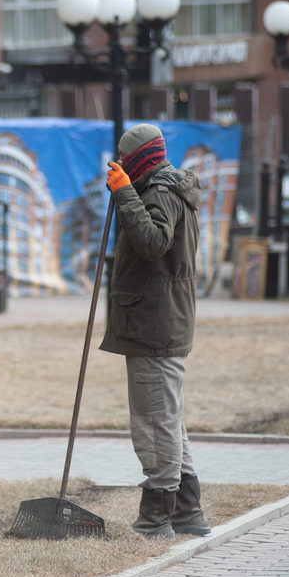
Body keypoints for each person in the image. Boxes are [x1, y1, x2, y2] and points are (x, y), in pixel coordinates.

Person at [99, 123, 211, 539]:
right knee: (167, 419)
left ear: (140, 159)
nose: (122, 167)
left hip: (155, 325)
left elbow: (152, 242)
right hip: (158, 321)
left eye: (126, 162)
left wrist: (124, 193)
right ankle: (187, 511)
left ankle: (157, 514)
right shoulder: (165, 188)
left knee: (153, 421)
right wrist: (128, 192)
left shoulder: (159, 192)